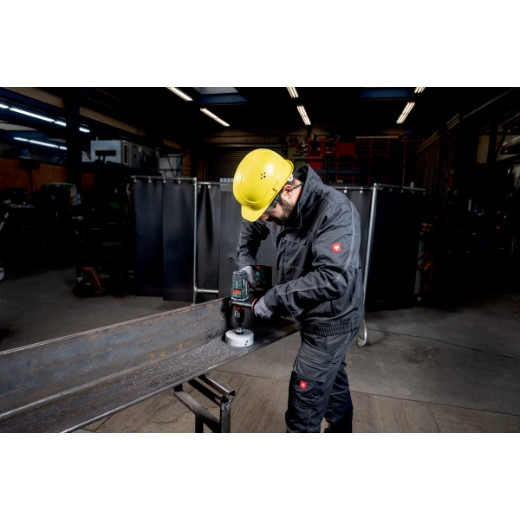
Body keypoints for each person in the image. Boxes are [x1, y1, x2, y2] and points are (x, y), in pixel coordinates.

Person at [232, 148, 365, 433]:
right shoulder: (278, 205)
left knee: (302, 409)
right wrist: (246, 263)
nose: (264, 219)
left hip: (331, 323)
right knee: (332, 383)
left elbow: (333, 278)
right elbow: (251, 227)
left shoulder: (335, 211)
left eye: (268, 212)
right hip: (308, 314)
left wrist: (274, 298)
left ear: (287, 189)